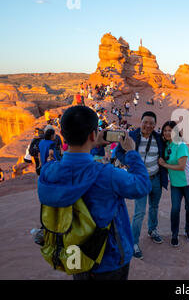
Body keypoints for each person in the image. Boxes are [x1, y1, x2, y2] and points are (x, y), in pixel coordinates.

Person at [38, 105, 151, 280]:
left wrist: (91, 145)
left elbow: (73, 164)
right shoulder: (107, 174)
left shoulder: (48, 172)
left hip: (74, 252)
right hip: (109, 259)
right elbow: (143, 185)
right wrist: (131, 152)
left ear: (63, 134)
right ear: (92, 135)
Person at [116, 111, 169, 259]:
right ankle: (134, 242)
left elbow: (169, 146)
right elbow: (118, 152)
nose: (148, 125)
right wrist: (128, 162)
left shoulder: (158, 138)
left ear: (155, 125)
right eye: (145, 122)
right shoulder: (131, 136)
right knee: (139, 212)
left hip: (156, 178)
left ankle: (152, 230)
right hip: (140, 180)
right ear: (141, 122)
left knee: (154, 207)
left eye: (151, 123)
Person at [158, 121, 189, 247]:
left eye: (170, 130)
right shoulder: (167, 145)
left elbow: (181, 166)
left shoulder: (181, 145)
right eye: (165, 130)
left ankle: (188, 230)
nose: (167, 133)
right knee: (175, 209)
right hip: (175, 184)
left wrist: (164, 165)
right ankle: (174, 234)